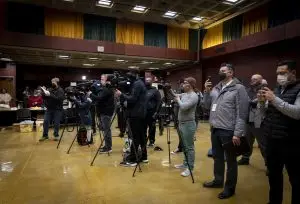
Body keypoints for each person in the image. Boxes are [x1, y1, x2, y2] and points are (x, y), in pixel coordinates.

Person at [203, 63, 249, 199]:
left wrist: (237, 133)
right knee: (217, 158)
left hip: (229, 130)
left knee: (231, 161)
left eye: (223, 70)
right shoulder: (217, 88)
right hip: (215, 129)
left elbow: (242, 113)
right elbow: (206, 106)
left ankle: (229, 188)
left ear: (231, 73)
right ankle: (218, 181)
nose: (220, 72)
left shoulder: (239, 88)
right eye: (219, 70)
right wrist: (206, 92)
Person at [259, 60, 300, 204]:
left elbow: (297, 112)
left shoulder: (298, 89)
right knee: (274, 176)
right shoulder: (276, 89)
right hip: (272, 140)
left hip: (291, 142)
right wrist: (262, 102)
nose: (279, 76)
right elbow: (266, 113)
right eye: (277, 73)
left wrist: (274, 99)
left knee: (295, 179)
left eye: (282, 73)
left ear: (293, 73)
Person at [115, 70, 147, 167]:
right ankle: (143, 156)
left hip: (136, 114)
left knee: (135, 136)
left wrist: (121, 95)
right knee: (141, 136)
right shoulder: (139, 83)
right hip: (140, 113)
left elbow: (132, 99)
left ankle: (133, 158)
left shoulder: (137, 84)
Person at [238, 74, 267, 167]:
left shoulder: (265, 90)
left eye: (255, 79)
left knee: (263, 143)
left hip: (258, 118)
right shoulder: (248, 90)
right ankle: (245, 158)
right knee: (247, 141)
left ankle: (269, 164)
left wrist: (252, 102)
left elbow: (262, 105)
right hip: (247, 118)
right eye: (251, 79)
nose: (252, 80)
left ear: (261, 80)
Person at [174, 77, 198, 177]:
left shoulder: (194, 96)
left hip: (188, 124)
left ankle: (190, 167)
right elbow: (175, 95)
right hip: (181, 123)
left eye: (185, 83)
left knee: (189, 147)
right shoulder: (185, 94)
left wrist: (178, 100)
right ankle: (185, 163)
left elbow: (183, 107)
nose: (183, 85)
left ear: (190, 85)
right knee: (184, 146)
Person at [90, 74, 115, 153]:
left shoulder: (107, 89)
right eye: (101, 79)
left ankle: (108, 147)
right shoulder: (104, 88)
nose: (101, 81)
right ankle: (106, 145)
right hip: (103, 111)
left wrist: (90, 94)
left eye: (102, 79)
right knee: (104, 130)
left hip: (106, 112)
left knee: (106, 130)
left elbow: (100, 98)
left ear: (108, 81)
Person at [145, 77, 161, 147]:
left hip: (152, 112)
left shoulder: (155, 91)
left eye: (149, 80)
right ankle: (144, 140)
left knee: (152, 127)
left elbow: (159, 102)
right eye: (146, 80)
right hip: (143, 111)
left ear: (151, 82)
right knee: (143, 127)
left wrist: (156, 112)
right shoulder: (143, 90)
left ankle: (151, 141)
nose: (147, 81)